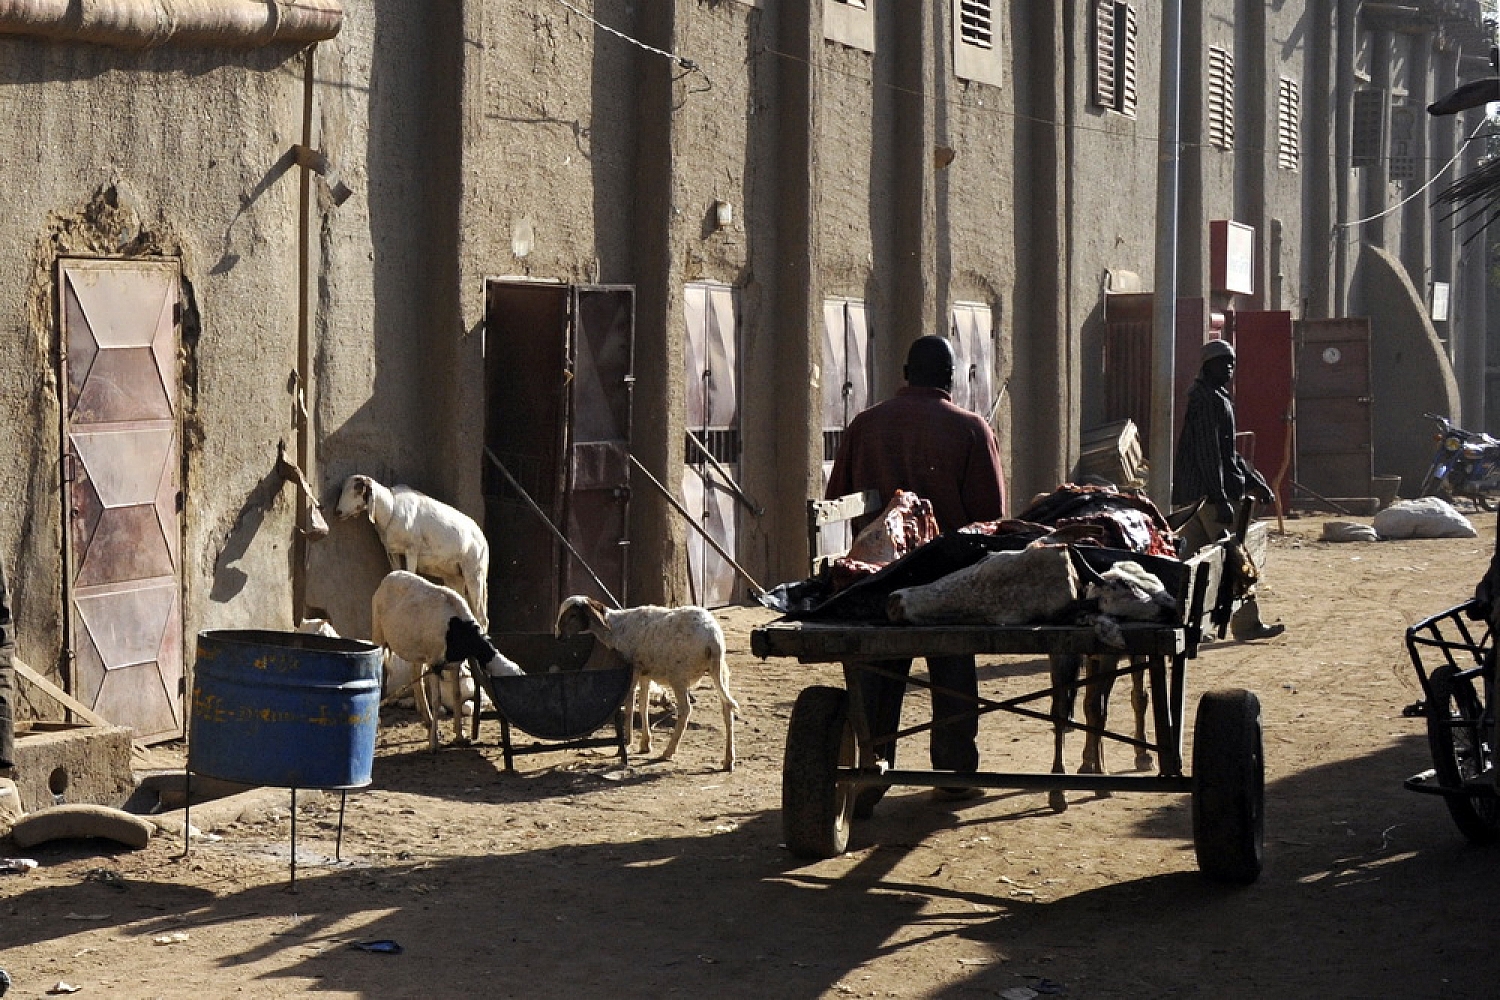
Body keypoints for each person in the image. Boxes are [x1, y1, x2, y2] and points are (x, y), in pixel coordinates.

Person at [825, 335, 1007, 813]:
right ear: (951, 378)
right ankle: (953, 773)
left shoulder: (865, 425)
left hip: (874, 580)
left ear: (905, 371)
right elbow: (992, 520)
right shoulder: (971, 430)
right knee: (951, 670)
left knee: (875, 673)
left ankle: (868, 771)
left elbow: (838, 495)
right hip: (946, 586)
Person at [1172, 337, 1285, 640]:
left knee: (1188, 563)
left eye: (1232, 362)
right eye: (1224, 362)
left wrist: (1255, 480)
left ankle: (1178, 620)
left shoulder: (1213, 396)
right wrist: (1220, 498)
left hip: (1197, 495)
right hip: (1208, 496)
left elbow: (1228, 452)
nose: (1230, 368)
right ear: (1208, 366)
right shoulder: (1207, 400)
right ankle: (1247, 625)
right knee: (1236, 558)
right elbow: (1209, 454)